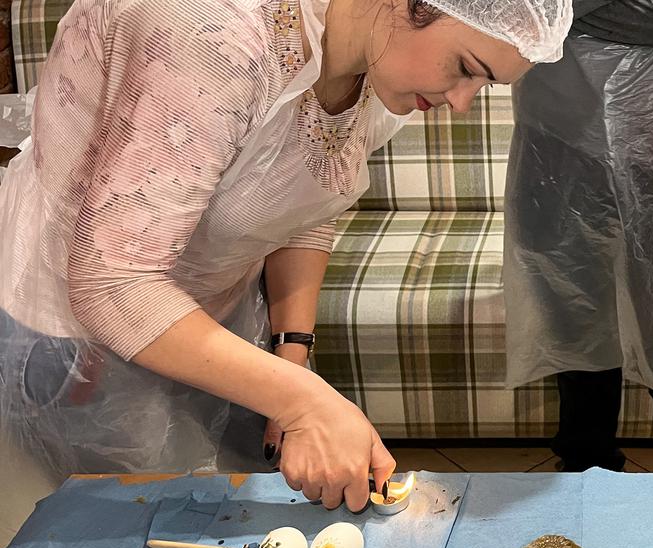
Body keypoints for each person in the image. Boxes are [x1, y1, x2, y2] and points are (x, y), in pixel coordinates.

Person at [0, 0, 571, 512]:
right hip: (75, 343)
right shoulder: (211, 31)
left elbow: (300, 195)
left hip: (208, 326)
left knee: (218, 531)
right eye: (468, 67)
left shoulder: (374, 60)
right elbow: (111, 281)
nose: (461, 102)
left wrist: (289, 355)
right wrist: (303, 402)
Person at [502, 0, 653, 472]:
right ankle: (586, 474)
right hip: (555, 135)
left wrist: (558, 16)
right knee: (574, 311)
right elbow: (511, 13)